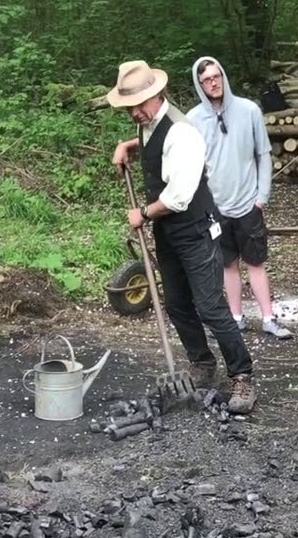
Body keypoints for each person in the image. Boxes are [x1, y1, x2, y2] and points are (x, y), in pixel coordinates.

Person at [106, 60, 256, 414]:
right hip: (169, 231)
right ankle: (202, 364)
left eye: (141, 104)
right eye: (130, 107)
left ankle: (243, 376)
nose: (136, 112)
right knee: (176, 303)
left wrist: (141, 214)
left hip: (196, 228)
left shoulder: (182, 132)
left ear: (159, 95)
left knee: (210, 307)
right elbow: (155, 142)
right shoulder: (151, 123)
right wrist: (129, 146)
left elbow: (178, 197)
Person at [187, 57, 292, 340]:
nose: (213, 82)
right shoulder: (193, 120)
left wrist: (262, 196)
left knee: (255, 261)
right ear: (200, 85)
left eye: (216, 75)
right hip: (215, 206)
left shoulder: (249, 110)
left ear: (223, 75)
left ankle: (268, 318)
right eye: (207, 79)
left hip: (248, 202)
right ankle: (236, 317)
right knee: (227, 263)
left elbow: (264, 154)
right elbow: (190, 163)